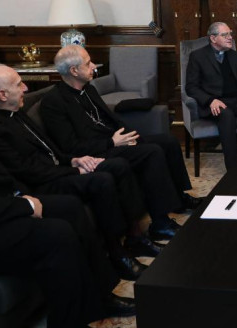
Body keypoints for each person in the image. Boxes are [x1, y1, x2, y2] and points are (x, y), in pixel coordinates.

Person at [0, 67, 135, 327]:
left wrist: (31, 190)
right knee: (57, 232)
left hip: (4, 202)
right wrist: (24, 204)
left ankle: (100, 294)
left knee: (71, 207)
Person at [0, 65, 165, 277]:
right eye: (19, 84)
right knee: (101, 180)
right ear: (2, 94)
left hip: (57, 169)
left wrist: (73, 160)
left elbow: (49, 147)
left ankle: (134, 237)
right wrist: (72, 172)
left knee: (114, 166)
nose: (25, 88)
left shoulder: (14, 111)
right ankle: (117, 253)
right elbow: (26, 170)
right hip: (41, 183)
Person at [40, 45, 201, 239]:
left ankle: (180, 199)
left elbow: (109, 118)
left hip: (115, 141)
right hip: (97, 151)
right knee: (151, 152)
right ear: (74, 70)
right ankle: (160, 223)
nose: (94, 67)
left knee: (167, 141)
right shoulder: (54, 102)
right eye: (88, 63)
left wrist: (129, 136)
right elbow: (70, 146)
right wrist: (112, 143)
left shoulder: (88, 89)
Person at [185, 21, 237, 170]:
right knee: (227, 115)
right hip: (214, 103)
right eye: (225, 35)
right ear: (213, 38)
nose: (230, 37)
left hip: (235, 99)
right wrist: (210, 100)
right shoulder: (197, 56)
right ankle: (233, 168)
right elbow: (191, 87)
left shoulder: (234, 56)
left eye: (230, 33)